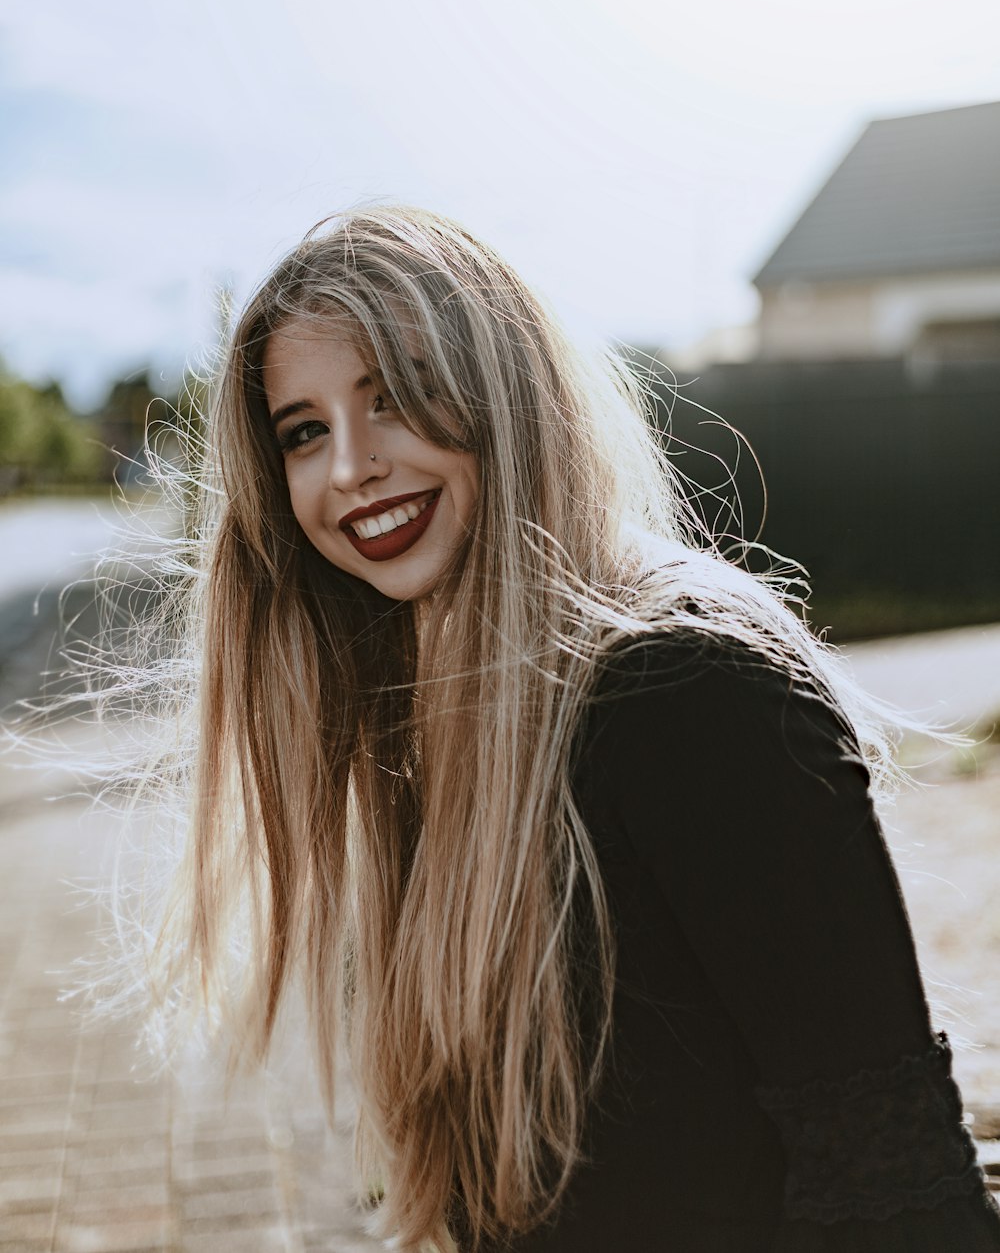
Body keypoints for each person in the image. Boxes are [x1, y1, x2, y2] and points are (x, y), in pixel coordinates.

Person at [144, 205, 1000, 1251]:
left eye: (399, 393)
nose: (352, 465)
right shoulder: (444, 712)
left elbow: (894, 1180)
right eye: (305, 430)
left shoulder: (686, 685)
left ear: (511, 392)